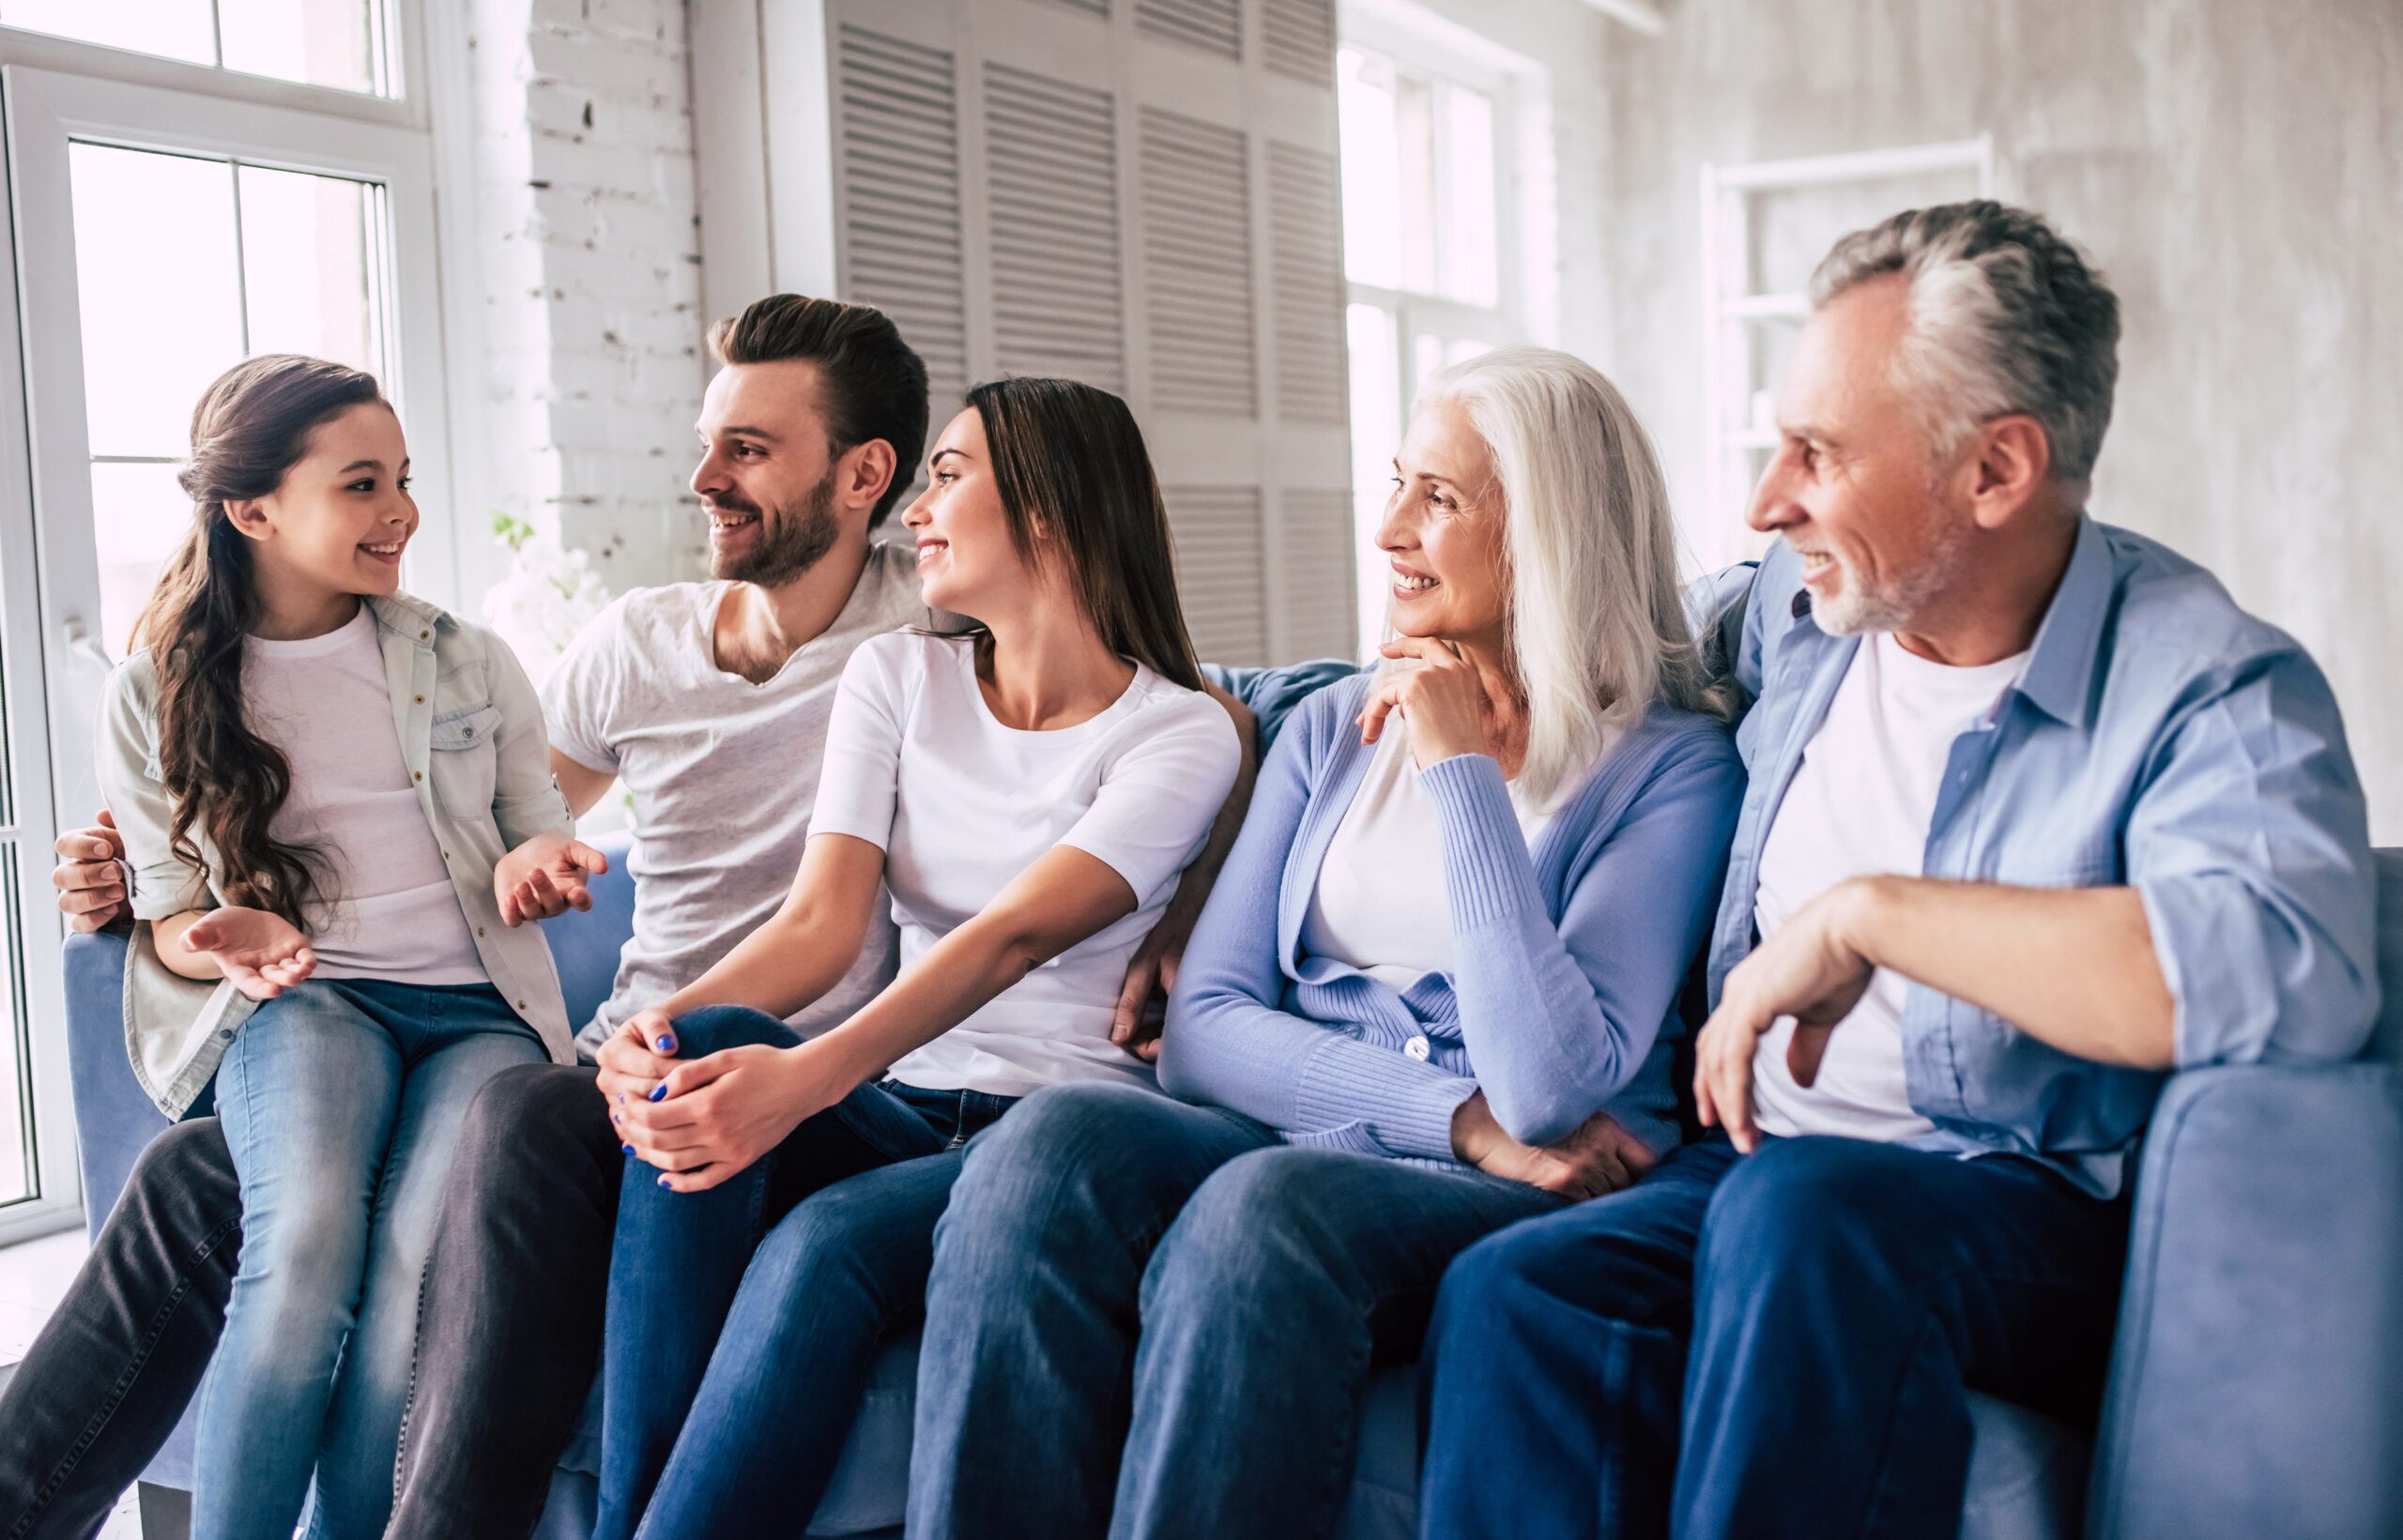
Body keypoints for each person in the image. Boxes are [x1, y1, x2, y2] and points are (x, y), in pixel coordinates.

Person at [2, 297, 1256, 1540]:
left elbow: (1194, 706)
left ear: (865, 475)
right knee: (206, 1176)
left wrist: (1196, 888)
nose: (703, 478)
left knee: (530, 1122)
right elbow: (457, 825)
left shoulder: (920, 610)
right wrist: (164, 884)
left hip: (819, 1065)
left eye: (749, 450)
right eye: (711, 441)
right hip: (660, 1046)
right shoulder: (670, 647)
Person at [1416, 202, 2380, 1539]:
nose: (1767, 499)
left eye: (1816, 452)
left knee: (1811, 1223)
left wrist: (1876, 917)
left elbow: (2293, 970)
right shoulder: (1798, 613)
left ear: (1997, 471)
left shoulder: (2208, 684)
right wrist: (1240, 817)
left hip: (2022, 1202)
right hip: (1756, 1166)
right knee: (1518, 1290)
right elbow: (1593, 646)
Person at [906, 347, 1746, 1540]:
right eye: (1398, 483)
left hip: (1515, 1187)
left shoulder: (1668, 771)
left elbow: (1552, 1089)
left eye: (1438, 499)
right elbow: (1203, 1032)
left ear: (1552, 535)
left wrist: (1460, 769)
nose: (1389, 528)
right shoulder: (1329, 732)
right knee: (1054, 1142)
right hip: (1390, 1137)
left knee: (1267, 1209)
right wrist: (1457, 1120)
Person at [592, 376, 1242, 1539]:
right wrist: (645, 1036)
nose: (913, 511)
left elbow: (1014, 935)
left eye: (947, 476)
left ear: (1046, 509)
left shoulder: (1176, 732)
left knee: (822, 1249)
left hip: (1048, 1129)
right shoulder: (897, 677)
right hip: (902, 1105)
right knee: (695, 1052)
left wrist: (811, 1075)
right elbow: (820, 925)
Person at [90, 355, 607, 1540]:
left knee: (415, 1285)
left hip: (477, 1012)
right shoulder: (155, 690)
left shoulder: (466, 656)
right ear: (252, 507)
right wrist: (218, 939)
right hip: (310, 1003)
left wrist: (538, 865)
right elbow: (168, 916)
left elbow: (540, 825)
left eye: (404, 480)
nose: (400, 514)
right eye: (362, 485)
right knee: (308, 1246)